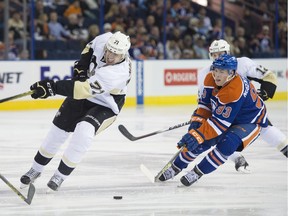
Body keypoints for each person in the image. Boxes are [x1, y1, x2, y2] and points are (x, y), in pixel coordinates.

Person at [20, 31, 131, 191]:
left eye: (116, 55)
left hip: (106, 104)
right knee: (57, 133)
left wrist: (52, 87)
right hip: (84, 94)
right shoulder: (104, 39)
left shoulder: (118, 72)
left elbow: (82, 89)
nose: (111, 57)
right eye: (109, 51)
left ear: (123, 55)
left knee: (84, 133)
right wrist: (81, 68)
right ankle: (35, 169)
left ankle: (60, 175)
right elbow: (88, 48)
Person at [159, 54, 268, 186]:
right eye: (215, 70)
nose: (216, 74)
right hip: (226, 116)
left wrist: (197, 135)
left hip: (249, 121)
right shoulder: (210, 78)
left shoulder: (234, 90)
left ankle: (198, 172)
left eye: (221, 71)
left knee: (227, 145)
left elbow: (219, 125)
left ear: (232, 73)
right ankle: (175, 167)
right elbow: (205, 105)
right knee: (200, 140)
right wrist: (196, 124)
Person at [198, 39, 287, 158]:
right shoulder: (204, 74)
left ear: (228, 52)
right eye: (214, 55)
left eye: (221, 54)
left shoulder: (242, 64)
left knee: (264, 127)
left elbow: (269, 77)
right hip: (225, 113)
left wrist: (265, 92)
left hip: (246, 110)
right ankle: (236, 159)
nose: (217, 57)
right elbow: (203, 101)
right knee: (219, 136)